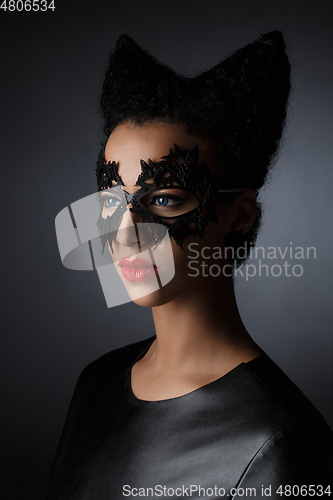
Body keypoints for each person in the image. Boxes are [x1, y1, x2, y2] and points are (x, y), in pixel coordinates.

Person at [47, 32, 333, 499]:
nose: (124, 234)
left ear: (239, 215)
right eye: (110, 200)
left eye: (163, 200)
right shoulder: (96, 384)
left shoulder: (280, 445)